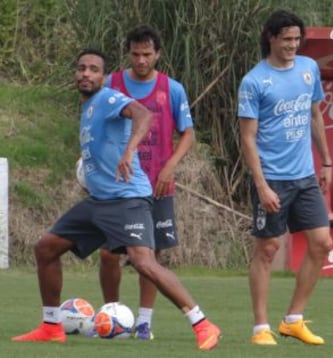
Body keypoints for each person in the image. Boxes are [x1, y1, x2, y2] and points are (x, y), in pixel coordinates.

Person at [12, 49, 220, 351]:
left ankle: (203, 324)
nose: (86, 74)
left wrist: (129, 151)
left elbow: (144, 114)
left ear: (102, 76)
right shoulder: (88, 109)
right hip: (99, 201)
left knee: (143, 262)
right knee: (46, 249)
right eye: (81, 68)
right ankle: (51, 326)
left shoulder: (107, 98)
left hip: (127, 199)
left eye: (93, 69)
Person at [237, 10, 333, 346]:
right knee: (267, 249)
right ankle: (260, 328)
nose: (292, 45)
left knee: (322, 244)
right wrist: (261, 185)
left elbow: (315, 115)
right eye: (286, 39)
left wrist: (327, 163)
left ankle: (293, 320)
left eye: (296, 39)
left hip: (305, 175)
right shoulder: (254, 81)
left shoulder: (309, 69)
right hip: (272, 178)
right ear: (271, 38)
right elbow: (248, 138)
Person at [99, 24, 195, 340]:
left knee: (150, 259)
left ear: (158, 55)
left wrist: (169, 167)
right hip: (116, 186)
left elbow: (188, 133)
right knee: (108, 254)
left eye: (147, 55)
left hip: (157, 185)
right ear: (128, 53)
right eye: (136, 54)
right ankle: (111, 315)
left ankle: (143, 323)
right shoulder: (110, 84)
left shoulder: (173, 89)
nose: (141, 61)